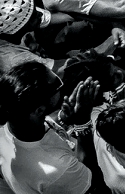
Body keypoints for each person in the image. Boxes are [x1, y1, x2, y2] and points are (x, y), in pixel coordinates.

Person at [0, 62, 101, 194]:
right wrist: (83, 122)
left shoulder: (12, 120)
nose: (62, 83)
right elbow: (92, 180)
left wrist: (62, 117)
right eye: (57, 84)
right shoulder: (58, 169)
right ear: (39, 110)